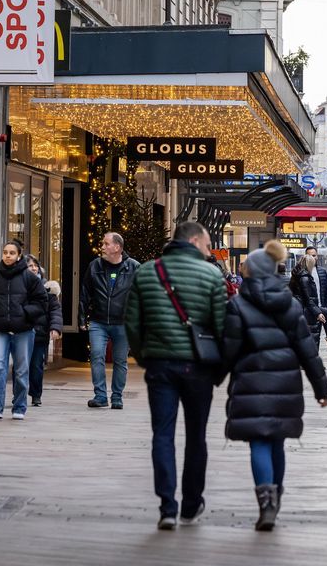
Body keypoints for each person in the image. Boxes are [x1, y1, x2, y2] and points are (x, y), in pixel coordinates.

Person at [126, 222, 227, 530]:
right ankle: (192, 504)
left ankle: (167, 506)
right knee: (197, 436)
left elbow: (131, 322)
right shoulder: (212, 275)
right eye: (208, 244)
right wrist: (218, 369)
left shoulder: (146, 272)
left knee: (163, 434)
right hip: (198, 368)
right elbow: (222, 327)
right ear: (195, 241)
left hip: (160, 365)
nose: (209, 250)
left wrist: (145, 355)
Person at [223, 240, 327, 531]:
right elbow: (306, 349)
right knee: (277, 442)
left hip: (250, 383)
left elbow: (228, 350)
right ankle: (277, 497)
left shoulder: (237, 305)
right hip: (285, 385)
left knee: (258, 442)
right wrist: (322, 389)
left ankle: (266, 501)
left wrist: (212, 377)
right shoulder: (290, 304)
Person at [0, 239, 49, 420]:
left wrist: (25, 314)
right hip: (0, 329)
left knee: (21, 369)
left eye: (11, 253)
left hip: (24, 330)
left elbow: (42, 301)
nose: (7, 255)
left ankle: (19, 407)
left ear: (18, 256)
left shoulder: (29, 278)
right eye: (5, 252)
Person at [83, 232, 140, 409]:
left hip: (123, 323)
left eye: (106, 244)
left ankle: (117, 397)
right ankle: (100, 396)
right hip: (98, 321)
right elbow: (85, 292)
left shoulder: (134, 267)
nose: (103, 247)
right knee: (96, 355)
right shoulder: (95, 266)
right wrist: (81, 316)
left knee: (120, 360)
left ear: (117, 247)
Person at [26, 257, 62, 407]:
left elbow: (55, 310)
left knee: (36, 365)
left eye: (36, 266)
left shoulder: (48, 288)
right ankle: (18, 395)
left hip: (40, 334)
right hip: (21, 332)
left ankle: (36, 395)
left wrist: (55, 327)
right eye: (30, 266)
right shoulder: (18, 286)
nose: (34, 268)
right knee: (20, 367)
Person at [304, 246, 327, 347]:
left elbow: (325, 290)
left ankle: (314, 358)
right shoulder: (302, 273)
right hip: (307, 310)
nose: (312, 258)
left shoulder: (322, 271)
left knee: (316, 337)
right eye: (309, 255)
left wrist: (323, 306)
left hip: (320, 310)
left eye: (314, 255)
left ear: (317, 256)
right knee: (308, 338)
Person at [288, 255, 324, 347]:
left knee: (326, 313)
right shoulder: (305, 278)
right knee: (311, 338)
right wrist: (317, 313)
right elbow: (308, 298)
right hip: (306, 311)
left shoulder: (298, 275)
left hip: (301, 309)